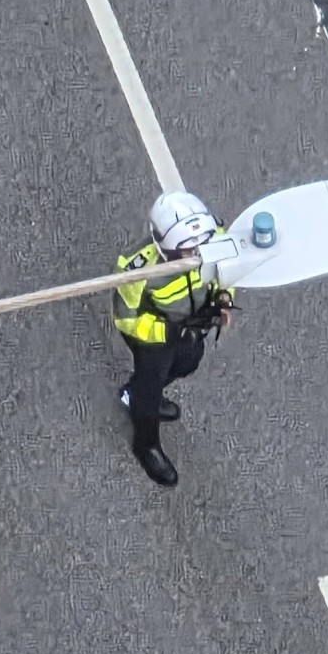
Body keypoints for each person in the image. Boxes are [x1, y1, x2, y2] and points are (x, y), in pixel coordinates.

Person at [112, 191, 236, 488]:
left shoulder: (213, 237)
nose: (194, 257)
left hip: (191, 325)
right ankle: (146, 444)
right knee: (150, 388)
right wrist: (167, 333)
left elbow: (227, 270)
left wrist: (223, 297)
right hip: (154, 337)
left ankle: (134, 394)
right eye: (185, 254)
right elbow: (126, 320)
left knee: (188, 361)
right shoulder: (136, 269)